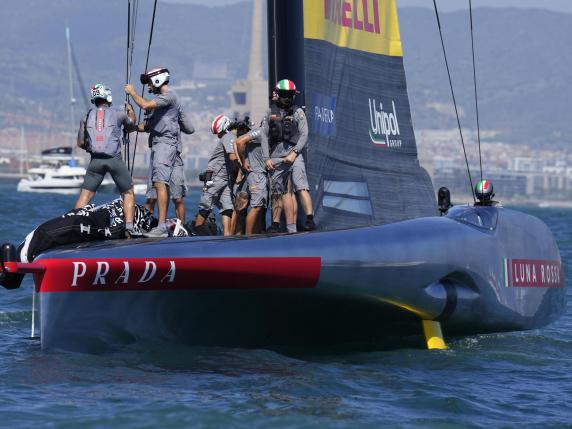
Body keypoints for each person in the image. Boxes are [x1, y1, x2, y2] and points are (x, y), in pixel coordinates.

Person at [124, 67, 194, 237]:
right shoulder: (157, 105)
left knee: (161, 184)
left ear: (157, 80)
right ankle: (150, 227)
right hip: (160, 147)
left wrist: (132, 92)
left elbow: (145, 104)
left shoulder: (169, 96)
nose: (147, 86)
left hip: (165, 146)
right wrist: (131, 122)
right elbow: (144, 127)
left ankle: (162, 227)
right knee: (153, 191)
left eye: (149, 81)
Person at [75, 84, 139, 236]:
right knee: (128, 193)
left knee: (85, 195)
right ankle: (129, 228)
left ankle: (74, 223)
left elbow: (80, 143)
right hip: (114, 160)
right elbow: (131, 126)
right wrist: (130, 111)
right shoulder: (119, 113)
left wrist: (92, 149)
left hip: (95, 161)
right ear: (108, 98)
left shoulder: (87, 116)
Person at [261, 79, 315, 233]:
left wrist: (295, 153)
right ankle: (276, 224)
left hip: (294, 153)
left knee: (301, 186)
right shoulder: (269, 112)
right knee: (277, 190)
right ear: (278, 94)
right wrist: (266, 159)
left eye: (290, 95)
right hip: (276, 156)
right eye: (284, 94)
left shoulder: (298, 112)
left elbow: (304, 134)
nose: (287, 98)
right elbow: (264, 137)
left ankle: (310, 219)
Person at [192, 115, 239, 236]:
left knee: (227, 208)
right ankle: (196, 232)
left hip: (224, 178)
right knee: (206, 206)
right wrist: (244, 166)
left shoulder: (227, 137)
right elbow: (232, 156)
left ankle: (227, 236)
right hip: (216, 178)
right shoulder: (229, 137)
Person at [235, 124, 269, 235]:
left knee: (257, 208)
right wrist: (243, 162)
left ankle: (252, 236)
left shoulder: (266, 133)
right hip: (256, 174)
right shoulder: (260, 131)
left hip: (258, 175)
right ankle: (248, 239)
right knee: (256, 207)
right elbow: (239, 142)